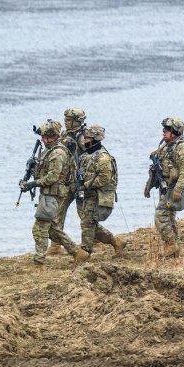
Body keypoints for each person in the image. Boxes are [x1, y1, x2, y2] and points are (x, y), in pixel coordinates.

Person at [20, 120, 88, 268]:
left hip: (54, 194)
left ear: (55, 137)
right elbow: (43, 171)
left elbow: (52, 177)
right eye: (43, 137)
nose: (45, 140)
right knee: (52, 230)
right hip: (49, 194)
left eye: (48, 138)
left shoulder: (57, 153)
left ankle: (39, 263)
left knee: (39, 229)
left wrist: (33, 183)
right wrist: (31, 171)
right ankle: (77, 252)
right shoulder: (49, 150)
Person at [75, 125, 126, 262]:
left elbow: (104, 179)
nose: (84, 141)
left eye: (87, 138)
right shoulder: (85, 156)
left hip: (98, 196)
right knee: (90, 224)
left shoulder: (103, 158)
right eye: (85, 138)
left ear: (95, 139)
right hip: (87, 195)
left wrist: (85, 185)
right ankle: (116, 242)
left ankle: (84, 254)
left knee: (87, 224)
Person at [145, 117, 184, 258]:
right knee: (170, 219)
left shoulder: (182, 148)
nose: (163, 133)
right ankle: (176, 251)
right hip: (164, 188)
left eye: (166, 131)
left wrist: (178, 189)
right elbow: (156, 169)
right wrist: (148, 187)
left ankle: (171, 244)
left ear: (175, 132)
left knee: (160, 216)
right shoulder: (166, 146)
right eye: (163, 130)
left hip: (172, 189)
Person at [47, 108, 87, 256]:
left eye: (69, 119)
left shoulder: (85, 137)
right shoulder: (65, 135)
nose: (66, 121)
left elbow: (90, 157)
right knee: (57, 212)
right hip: (67, 181)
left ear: (77, 120)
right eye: (65, 119)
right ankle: (56, 244)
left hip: (81, 182)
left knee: (85, 214)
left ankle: (93, 241)